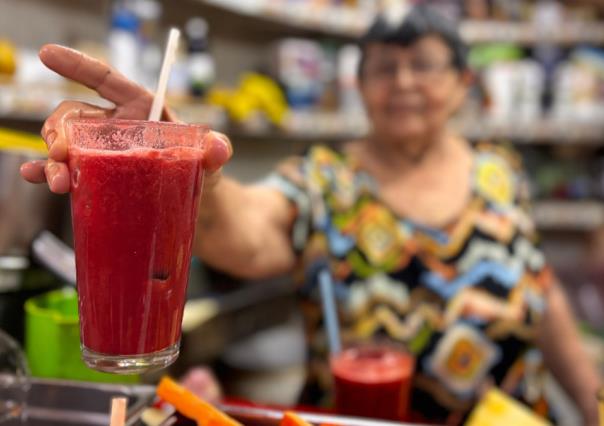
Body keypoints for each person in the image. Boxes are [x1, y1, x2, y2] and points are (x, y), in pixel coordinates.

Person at [21, 5, 601, 425]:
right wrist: (179, 171)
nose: (402, 82)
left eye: (422, 65)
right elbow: (245, 237)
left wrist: (594, 400)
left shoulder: (500, 171)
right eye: (382, 68)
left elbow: (540, 291)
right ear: (361, 84)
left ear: (462, 83)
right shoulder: (325, 179)